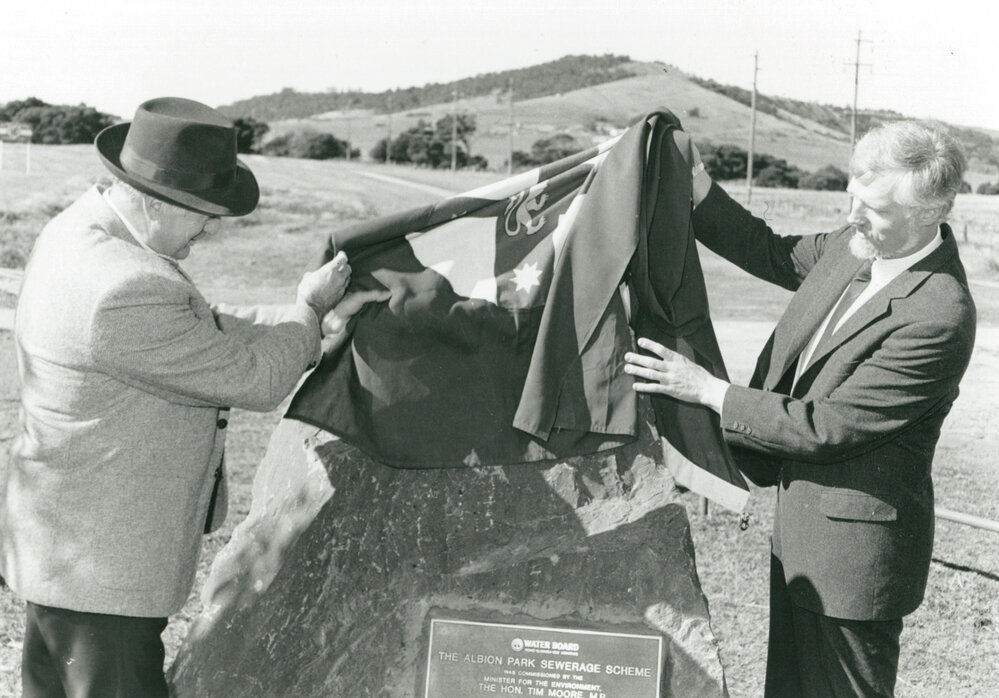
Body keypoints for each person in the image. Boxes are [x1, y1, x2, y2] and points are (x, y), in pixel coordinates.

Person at [0, 97, 386, 697]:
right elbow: (253, 380)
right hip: (104, 574)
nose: (212, 230)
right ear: (155, 200)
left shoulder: (82, 231)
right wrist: (308, 309)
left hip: (62, 553)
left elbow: (196, 325)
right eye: (207, 216)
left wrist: (306, 325)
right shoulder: (124, 287)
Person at [624, 121, 975, 696]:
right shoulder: (856, 243)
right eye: (852, 198)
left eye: (875, 210)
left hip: (855, 562)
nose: (854, 216)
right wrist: (696, 184)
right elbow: (768, 250)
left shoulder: (938, 314)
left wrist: (707, 390)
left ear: (930, 216)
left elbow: (827, 428)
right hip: (802, 535)